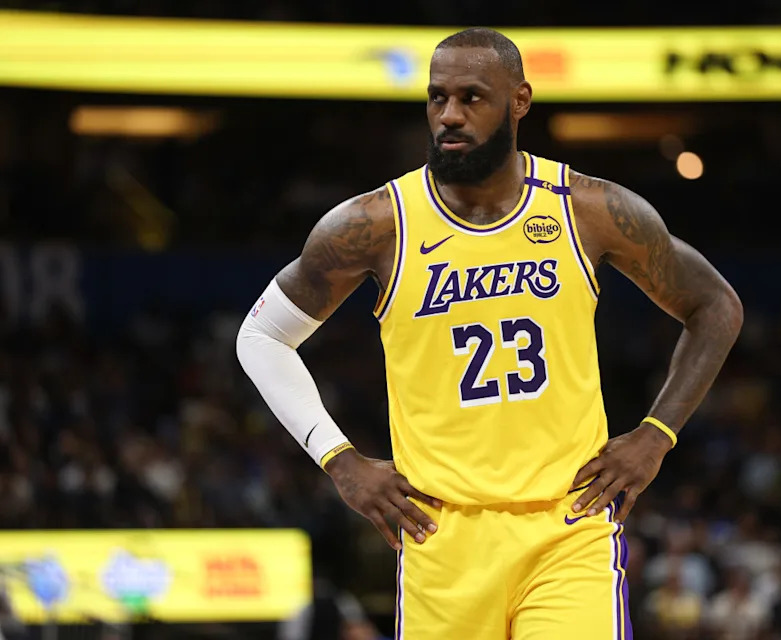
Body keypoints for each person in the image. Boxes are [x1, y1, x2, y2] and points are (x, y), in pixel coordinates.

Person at [237, 27, 742, 640]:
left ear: (520, 101)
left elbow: (715, 306)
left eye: (472, 97)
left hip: (567, 527)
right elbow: (260, 338)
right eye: (437, 97)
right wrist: (338, 459)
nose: (449, 115)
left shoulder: (588, 209)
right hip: (439, 534)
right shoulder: (375, 224)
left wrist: (656, 437)